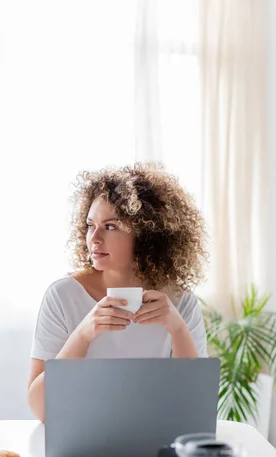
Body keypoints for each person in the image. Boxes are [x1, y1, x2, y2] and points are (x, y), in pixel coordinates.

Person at [28, 163, 208, 422]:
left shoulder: (180, 303)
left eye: (110, 226)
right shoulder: (62, 295)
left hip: (155, 440)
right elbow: (40, 409)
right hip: (82, 437)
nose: (94, 238)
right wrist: (83, 333)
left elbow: (195, 407)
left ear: (146, 235)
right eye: (91, 225)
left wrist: (177, 329)